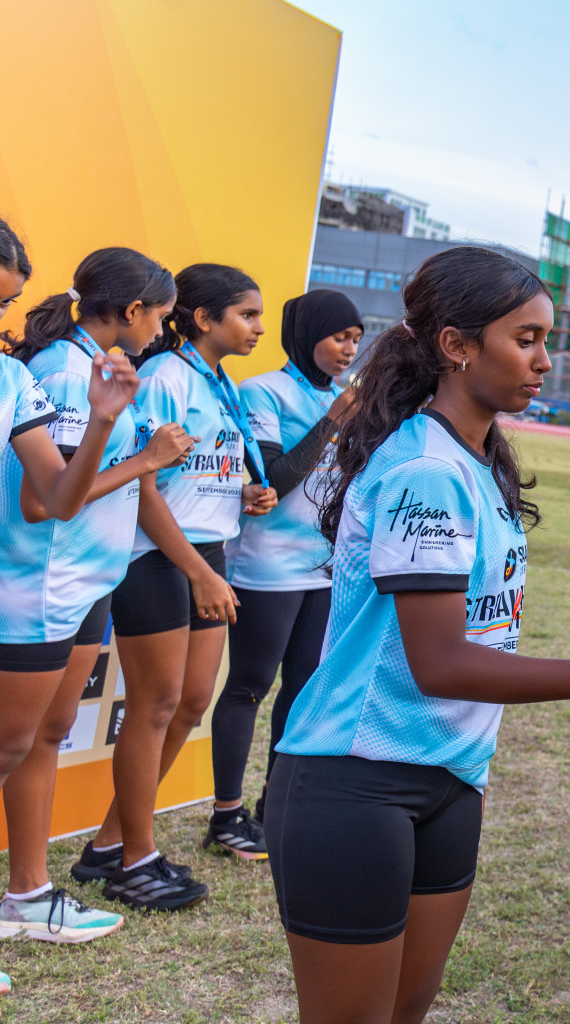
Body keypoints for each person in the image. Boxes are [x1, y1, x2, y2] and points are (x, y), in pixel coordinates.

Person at [263, 246, 570, 1024]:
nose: (544, 360)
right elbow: (439, 663)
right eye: (527, 338)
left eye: (548, 339)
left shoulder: (478, 460)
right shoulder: (426, 470)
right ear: (456, 345)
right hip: (355, 781)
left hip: (452, 779)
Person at [0, 248, 193, 964]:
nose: (163, 329)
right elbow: (46, 502)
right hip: (42, 581)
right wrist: (147, 459)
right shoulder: (66, 372)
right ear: (134, 311)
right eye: (161, 314)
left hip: (79, 581)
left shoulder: (79, 368)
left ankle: (28, 895)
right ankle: (24, 896)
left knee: (45, 735)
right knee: (5, 747)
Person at [0, 212, 145, 1002]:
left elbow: (56, 495)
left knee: (4, 750)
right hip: (34, 591)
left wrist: (106, 422)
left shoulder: (7, 380)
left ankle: (26, 898)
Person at [70, 264, 278, 912]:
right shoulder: (163, 377)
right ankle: (137, 858)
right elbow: (142, 487)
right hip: (159, 557)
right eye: (246, 315)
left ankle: (108, 843)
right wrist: (198, 569)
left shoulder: (221, 382)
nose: (258, 328)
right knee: (155, 707)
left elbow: (199, 469)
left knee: (189, 705)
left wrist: (241, 492)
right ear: (203, 319)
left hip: (205, 550)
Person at [209, 290, 362, 850]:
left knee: (301, 692)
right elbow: (273, 476)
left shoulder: (347, 397)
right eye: (339, 337)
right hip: (266, 569)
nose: (349, 350)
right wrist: (331, 422)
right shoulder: (262, 391)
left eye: (355, 340)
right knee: (249, 688)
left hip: (322, 571)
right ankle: (226, 816)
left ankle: (278, 805)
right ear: (305, 334)